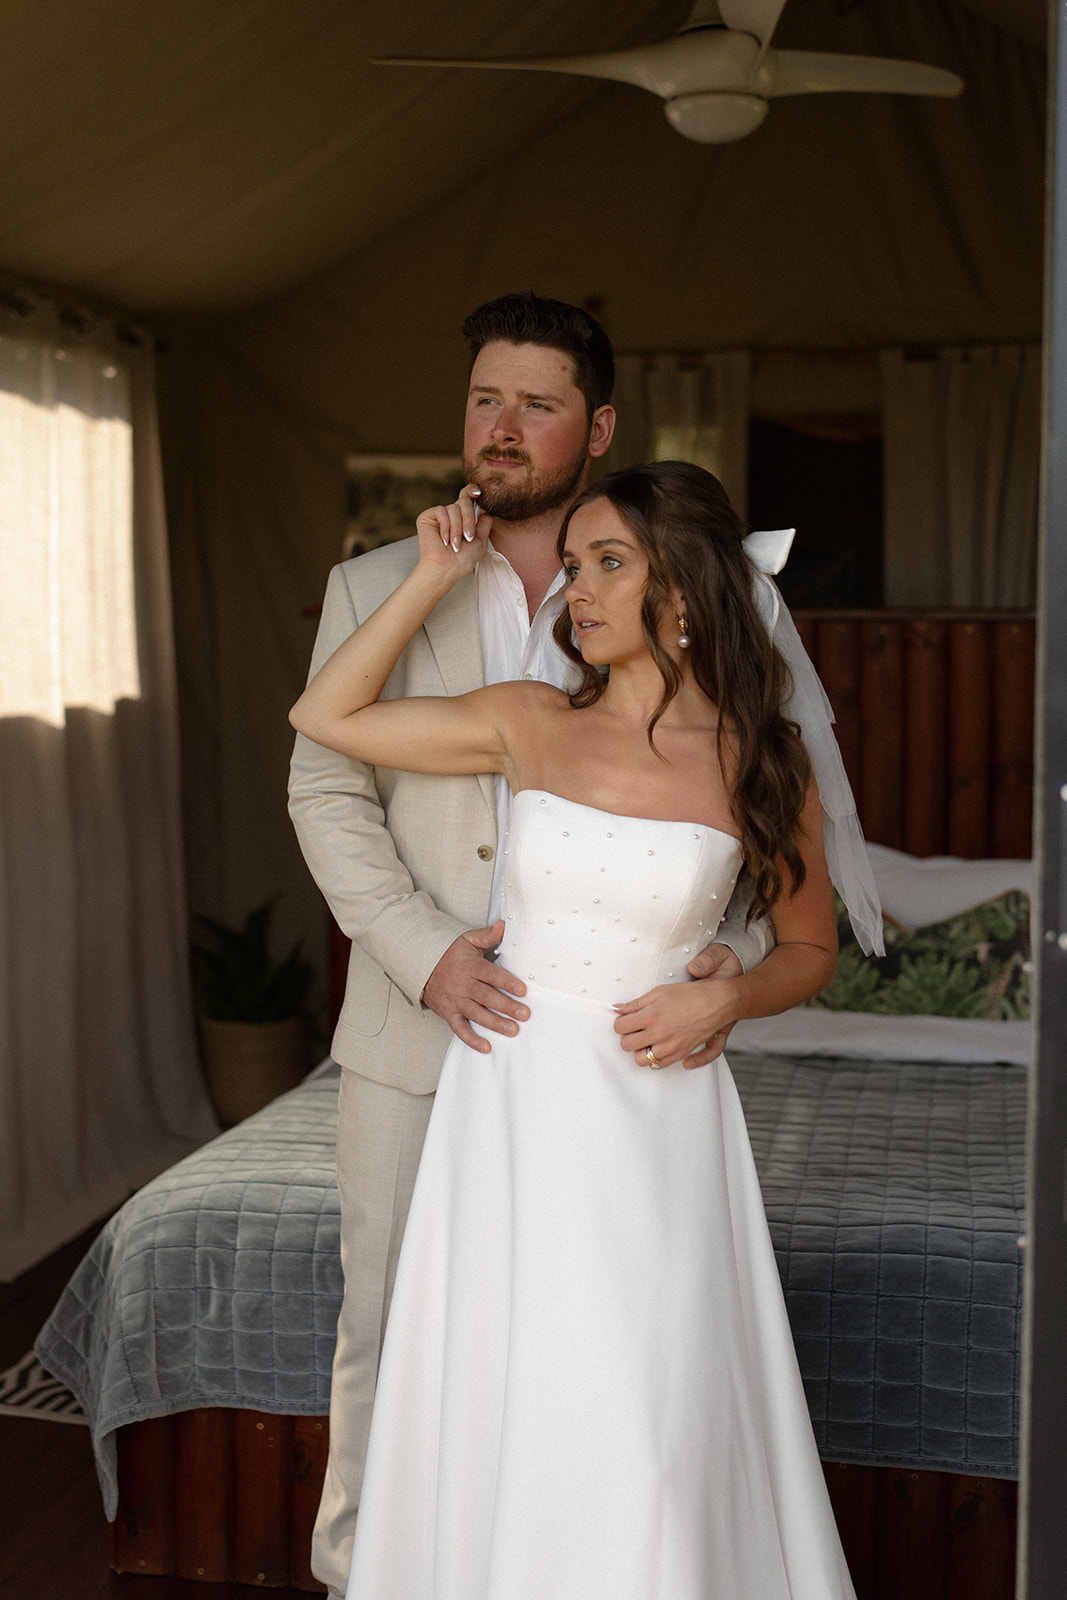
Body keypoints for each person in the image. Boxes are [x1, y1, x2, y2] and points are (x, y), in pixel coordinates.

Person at [290, 459, 863, 1600]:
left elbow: (807, 947)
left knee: (645, 1414)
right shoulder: (528, 723)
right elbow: (325, 714)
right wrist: (431, 575)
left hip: (655, 1124)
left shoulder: (764, 764)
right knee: (509, 1393)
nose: (574, 586)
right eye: (574, 563)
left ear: (689, 596)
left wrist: (726, 995)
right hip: (507, 1109)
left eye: (609, 563)